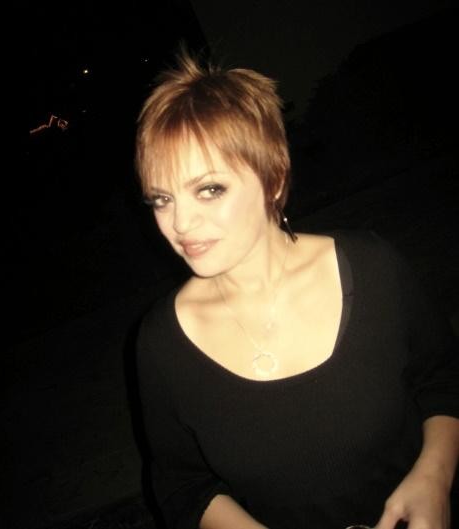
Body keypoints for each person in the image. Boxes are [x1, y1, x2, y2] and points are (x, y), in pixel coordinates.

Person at [134, 50, 459, 529]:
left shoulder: (372, 269)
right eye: (162, 198)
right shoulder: (161, 344)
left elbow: (443, 380)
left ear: (273, 178)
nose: (179, 223)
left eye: (209, 189)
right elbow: (183, 485)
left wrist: (434, 477)